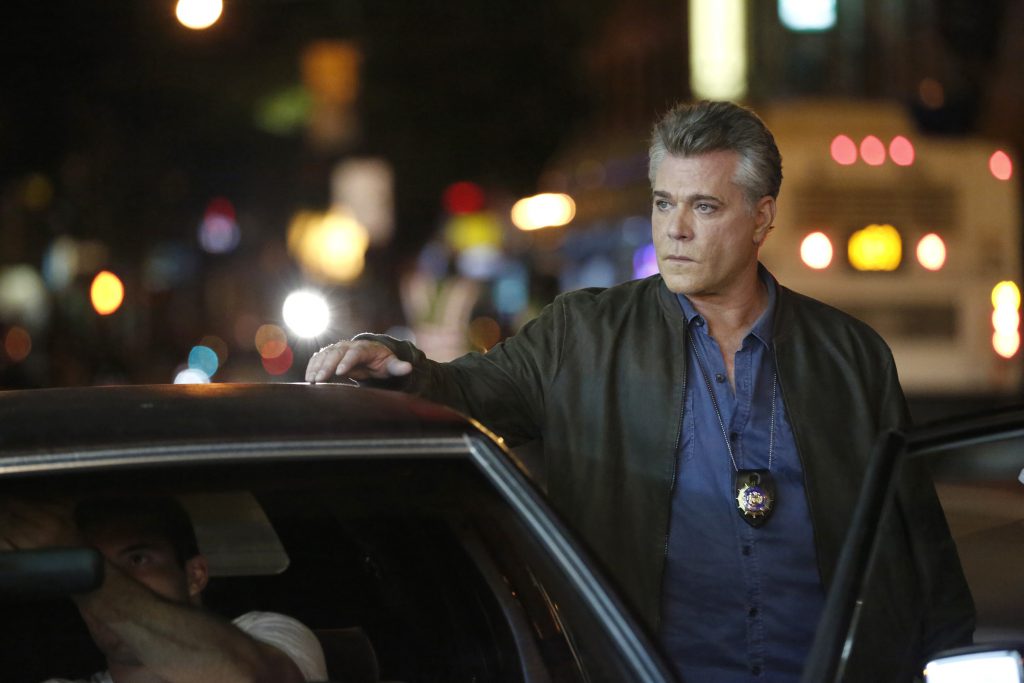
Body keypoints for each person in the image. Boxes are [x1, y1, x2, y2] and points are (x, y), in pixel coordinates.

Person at [305, 100, 974, 681]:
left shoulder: (851, 355)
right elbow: (465, 393)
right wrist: (396, 364)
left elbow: (918, 545)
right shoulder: (583, 335)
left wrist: (949, 655)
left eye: (704, 206)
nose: (675, 229)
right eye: (663, 203)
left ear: (761, 217)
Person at [0, 496, 328, 683]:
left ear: (195, 575)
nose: (117, 582)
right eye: (95, 565)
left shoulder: (269, 635)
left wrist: (81, 564)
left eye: (137, 559)